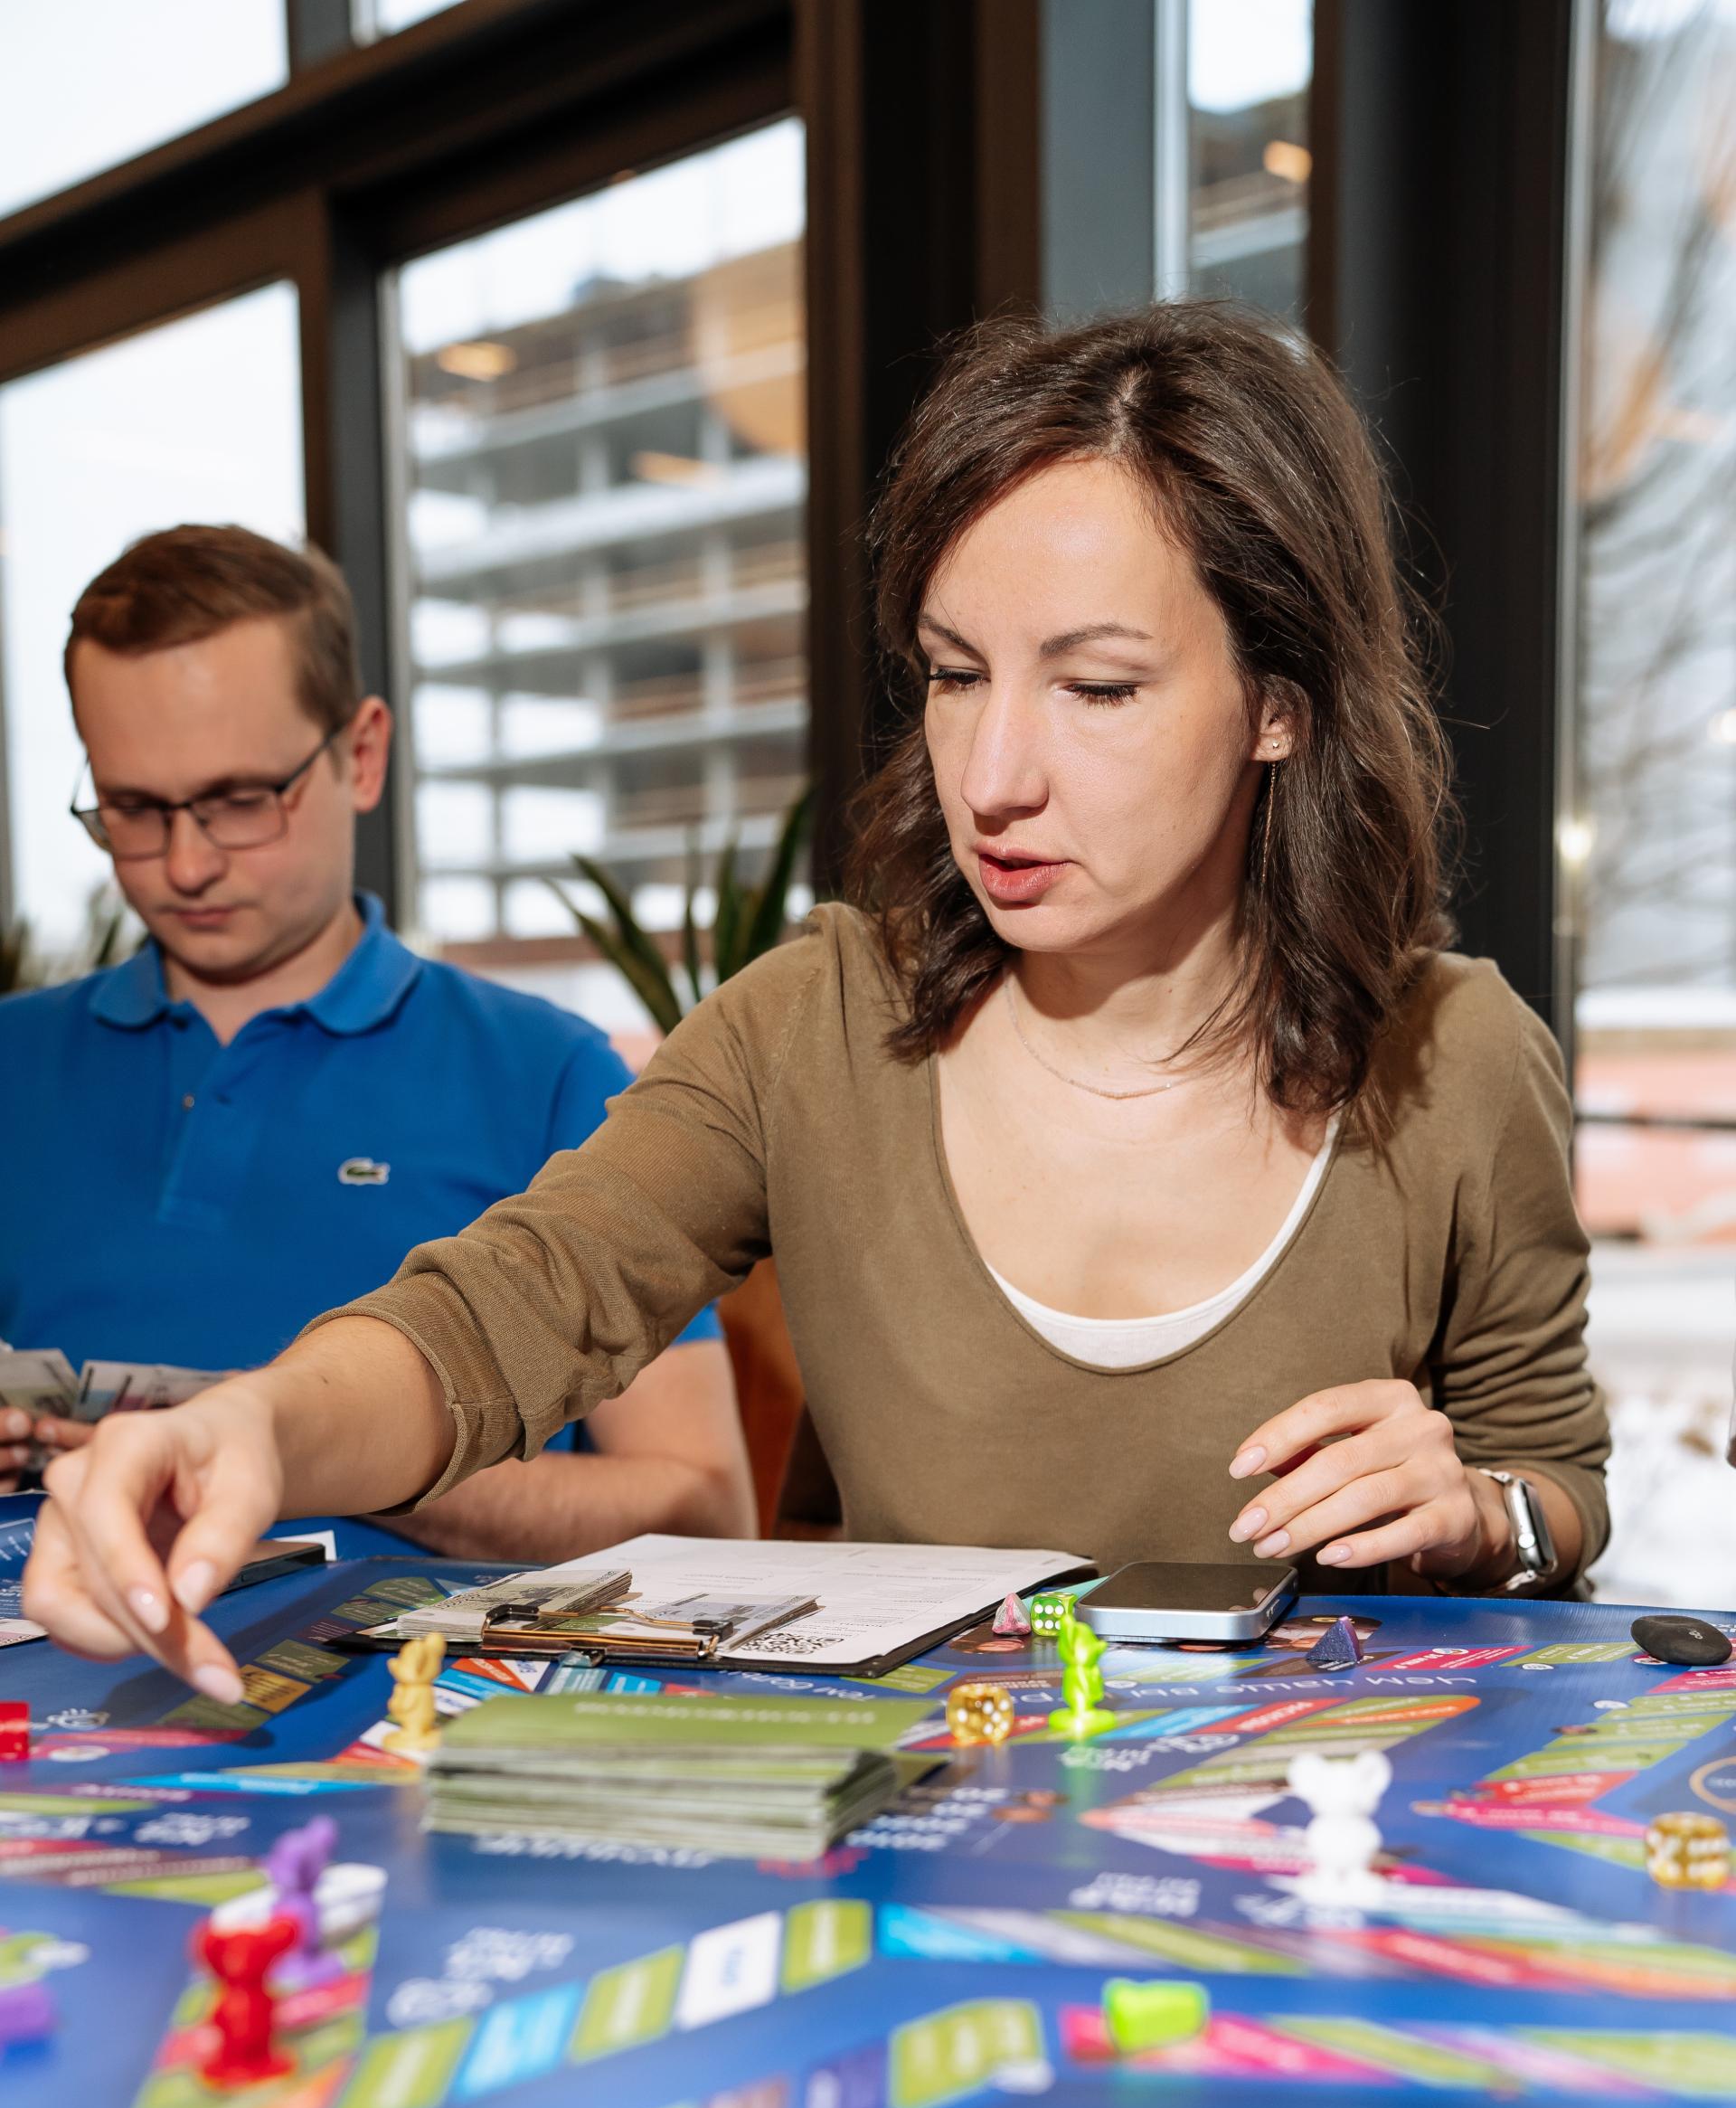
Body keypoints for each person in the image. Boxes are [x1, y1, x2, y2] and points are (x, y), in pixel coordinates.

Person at [24, 306, 1610, 1703]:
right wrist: (257, 1430)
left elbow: (1559, 1484)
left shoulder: (1459, 1058)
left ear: (1280, 703)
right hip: (921, 1829)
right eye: (956, 673)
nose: (993, 776)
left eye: (1097, 687)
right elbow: (506, 1307)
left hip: (1301, 1838)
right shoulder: (816, 1022)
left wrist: (1490, 1515)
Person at [0, 525, 751, 1564]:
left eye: (238, 801)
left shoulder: (547, 1075)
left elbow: (708, 1512)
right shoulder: (14, 1063)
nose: (185, 864)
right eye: (133, 809)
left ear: (361, 755)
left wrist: (313, 1446)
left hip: (398, 1660)